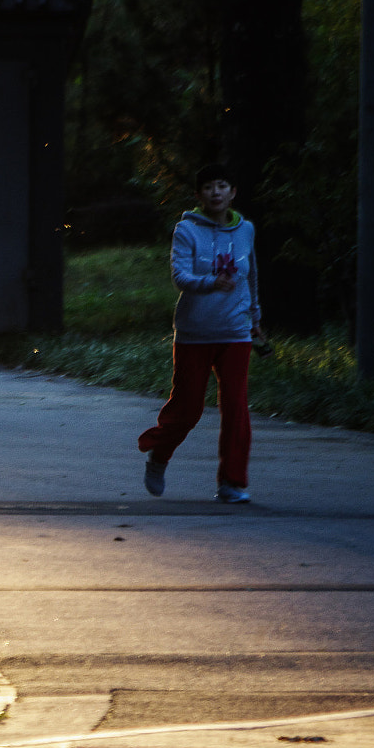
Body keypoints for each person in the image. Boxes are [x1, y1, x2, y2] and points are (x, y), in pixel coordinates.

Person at [138, 163, 263, 504]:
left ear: (233, 192)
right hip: (196, 332)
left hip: (236, 331)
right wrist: (211, 283)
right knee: (188, 408)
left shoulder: (246, 230)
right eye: (208, 187)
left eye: (223, 186)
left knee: (236, 406)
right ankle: (159, 455)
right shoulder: (186, 230)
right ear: (198, 195)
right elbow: (180, 277)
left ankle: (232, 483)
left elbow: (250, 277)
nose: (216, 192)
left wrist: (256, 317)